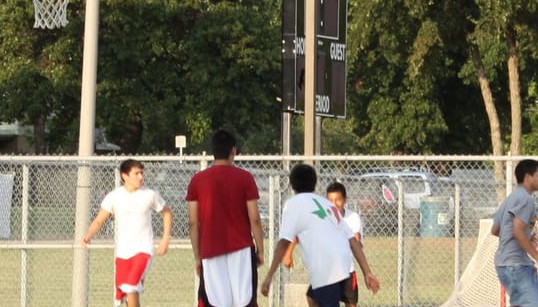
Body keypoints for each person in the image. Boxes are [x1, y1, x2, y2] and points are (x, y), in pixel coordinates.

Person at [258, 165, 381, 307]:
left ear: (292, 184)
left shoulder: (293, 204)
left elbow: (284, 242)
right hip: (343, 264)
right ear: (315, 184)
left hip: (326, 267)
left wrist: (269, 276)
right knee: (312, 297)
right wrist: (367, 272)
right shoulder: (327, 205)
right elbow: (352, 240)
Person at [186, 130, 263, 307]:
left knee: (215, 302)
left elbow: (192, 222)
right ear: (233, 151)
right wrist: (260, 250)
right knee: (244, 301)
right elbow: (255, 218)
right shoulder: (245, 178)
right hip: (241, 249)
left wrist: (197, 257)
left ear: (213, 151)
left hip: (210, 249)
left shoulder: (197, 180)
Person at [80, 159, 172, 307]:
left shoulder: (150, 194)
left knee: (131, 286)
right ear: (125, 176)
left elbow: (167, 213)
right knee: (125, 295)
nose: (141, 177)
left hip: (143, 250)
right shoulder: (114, 196)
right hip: (122, 253)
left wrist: (165, 238)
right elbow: (99, 221)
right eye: (136, 173)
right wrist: (87, 236)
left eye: (142, 173)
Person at [490, 159, 538, 307]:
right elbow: (517, 231)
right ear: (527, 177)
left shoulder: (510, 199)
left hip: (511, 264)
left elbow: (496, 229)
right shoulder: (525, 199)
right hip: (515, 265)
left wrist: (526, 236)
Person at [325, 182, 365, 307]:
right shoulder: (323, 218)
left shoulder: (353, 217)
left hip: (348, 271)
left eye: (338, 199)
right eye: (330, 200)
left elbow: (357, 245)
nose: (334, 203)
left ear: (345, 200)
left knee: (351, 303)